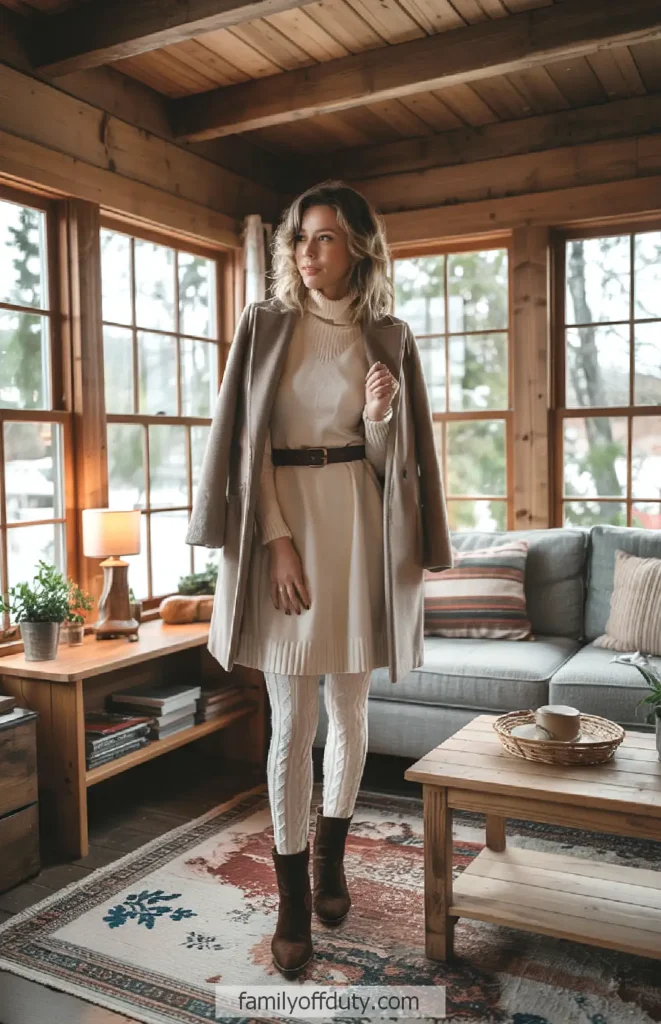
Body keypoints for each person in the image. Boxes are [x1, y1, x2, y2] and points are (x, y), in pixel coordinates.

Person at [186, 180, 452, 976]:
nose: (307, 251)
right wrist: (276, 542)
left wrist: (378, 417)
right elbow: (250, 447)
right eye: (300, 237)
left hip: (359, 530)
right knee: (290, 718)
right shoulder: (265, 324)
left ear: (357, 247)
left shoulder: (388, 334)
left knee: (348, 707)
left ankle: (331, 858)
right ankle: (292, 899)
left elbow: (389, 466)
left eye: (324, 236)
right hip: (283, 528)